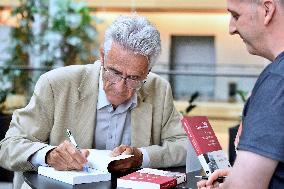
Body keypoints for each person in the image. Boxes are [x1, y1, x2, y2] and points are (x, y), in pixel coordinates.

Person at [0, 14, 196, 189]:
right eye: (115, 72)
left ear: (148, 71)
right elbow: (10, 146)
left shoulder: (158, 89)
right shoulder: (55, 84)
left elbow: (185, 144)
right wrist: (49, 155)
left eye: (134, 78)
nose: (120, 87)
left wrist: (141, 157)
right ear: (102, 56)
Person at [197, 0, 284, 188]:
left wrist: (237, 182)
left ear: (267, 10)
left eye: (236, 15)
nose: (231, 28)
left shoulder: (277, 80)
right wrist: (239, 174)